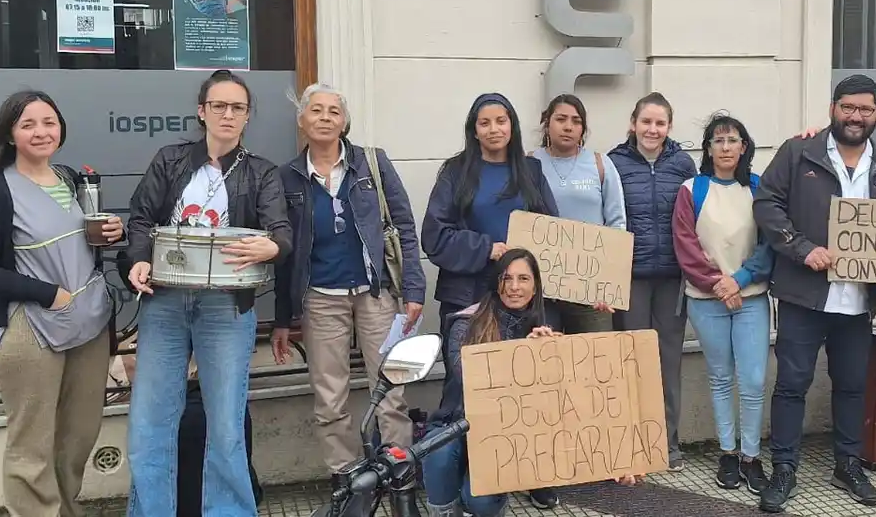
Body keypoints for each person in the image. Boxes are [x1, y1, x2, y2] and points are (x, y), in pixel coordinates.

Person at [122, 69, 293, 516]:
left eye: (238, 107)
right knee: (150, 422)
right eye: (219, 105)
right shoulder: (171, 159)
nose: (228, 114)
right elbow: (140, 218)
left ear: (247, 116)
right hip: (165, 301)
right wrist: (139, 260)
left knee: (226, 424)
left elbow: (281, 231)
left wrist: (272, 245)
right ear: (202, 111)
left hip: (226, 306)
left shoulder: (261, 172)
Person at [0, 90, 122, 517]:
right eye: (28, 124)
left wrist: (108, 234)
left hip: (86, 326)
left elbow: (78, 247)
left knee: (77, 438)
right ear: (10, 134)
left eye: (49, 122)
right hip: (28, 330)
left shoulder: (69, 179)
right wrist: (48, 294)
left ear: (61, 129)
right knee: (32, 446)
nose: (41, 132)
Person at [752, 74, 876, 512]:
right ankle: (784, 468)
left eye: (866, 109)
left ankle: (848, 464)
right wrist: (803, 249)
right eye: (848, 107)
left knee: (852, 385)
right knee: (792, 384)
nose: (856, 116)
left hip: (858, 300)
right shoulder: (799, 152)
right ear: (833, 108)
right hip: (805, 294)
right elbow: (767, 203)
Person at [271, 83, 428, 492]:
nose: (325, 117)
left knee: (391, 388)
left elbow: (404, 228)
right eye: (316, 111)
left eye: (333, 111)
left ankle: (398, 472)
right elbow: (284, 251)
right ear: (301, 120)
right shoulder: (287, 177)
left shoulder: (372, 165)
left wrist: (412, 290)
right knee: (330, 397)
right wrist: (283, 319)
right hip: (320, 299)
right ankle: (347, 477)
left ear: (345, 121)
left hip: (376, 293)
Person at [420, 248, 641, 517]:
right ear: (496, 283)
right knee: (438, 454)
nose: (514, 287)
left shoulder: (548, 324)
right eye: (507, 278)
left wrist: (615, 458)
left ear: (536, 286)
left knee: (480, 502)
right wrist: (524, 358)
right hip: (459, 424)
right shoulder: (467, 323)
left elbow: (586, 388)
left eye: (523, 279)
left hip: (507, 437)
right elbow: (469, 378)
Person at [419, 92, 561, 509]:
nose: (494, 129)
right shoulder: (456, 171)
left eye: (502, 121)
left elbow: (555, 238)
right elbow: (435, 235)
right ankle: (467, 468)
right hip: (469, 297)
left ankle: (532, 472)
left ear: (512, 126)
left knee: (532, 389)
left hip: (523, 299)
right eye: (485, 122)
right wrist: (489, 249)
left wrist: (590, 292)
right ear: (474, 129)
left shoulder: (531, 170)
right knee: (468, 387)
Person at [671, 113, 774, 494]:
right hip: (707, 298)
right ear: (709, 148)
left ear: (744, 147)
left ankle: (751, 456)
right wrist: (719, 284)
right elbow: (685, 245)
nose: (726, 147)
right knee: (719, 377)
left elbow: (770, 243)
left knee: (751, 380)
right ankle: (728, 453)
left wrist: (739, 281)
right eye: (718, 141)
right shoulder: (691, 190)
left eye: (733, 140)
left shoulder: (759, 188)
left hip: (750, 298)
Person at [607, 92, 698, 472]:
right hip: (630, 278)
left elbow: (698, 216)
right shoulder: (613, 163)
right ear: (633, 123)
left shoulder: (683, 163)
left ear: (669, 127)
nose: (652, 129)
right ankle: (629, 445)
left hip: (672, 280)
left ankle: (667, 444)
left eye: (660, 123)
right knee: (628, 362)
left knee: (667, 362)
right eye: (646, 122)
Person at [531, 93, 626, 333]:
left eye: (576, 121)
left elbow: (616, 223)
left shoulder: (600, 164)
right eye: (561, 119)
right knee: (548, 361)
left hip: (592, 291)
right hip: (543, 289)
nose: (568, 126)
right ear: (547, 123)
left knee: (597, 360)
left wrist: (609, 283)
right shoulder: (529, 163)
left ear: (583, 128)